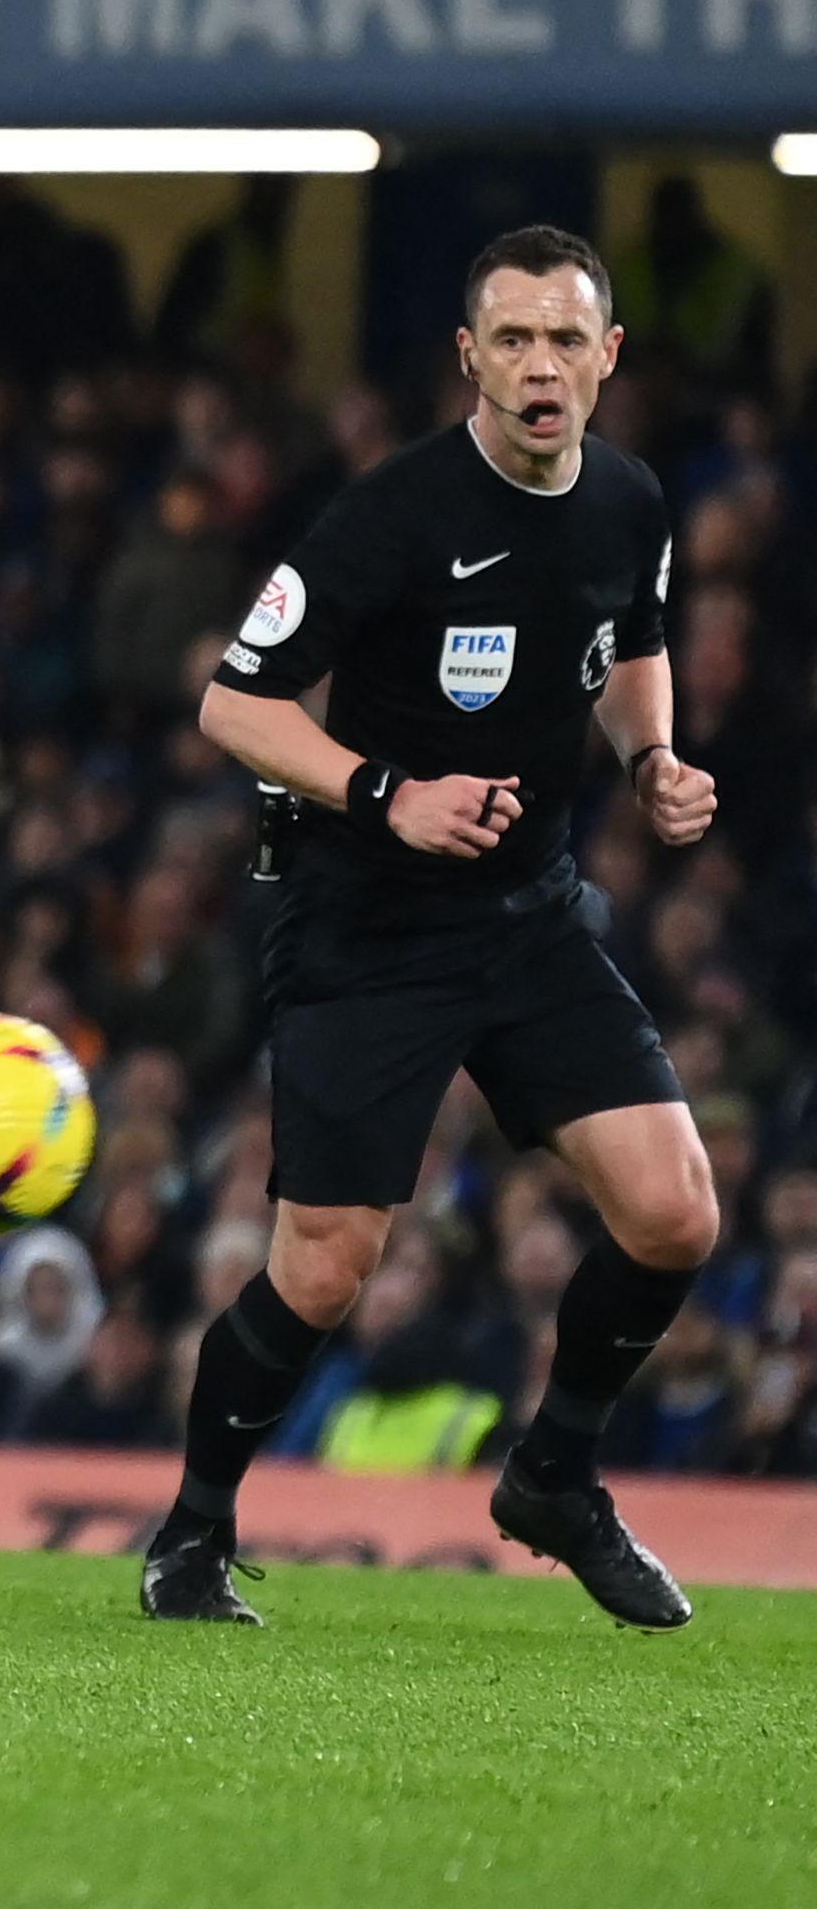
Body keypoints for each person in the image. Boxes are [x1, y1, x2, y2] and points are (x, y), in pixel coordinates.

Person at [148, 226, 718, 1631]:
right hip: (366, 917)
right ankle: (193, 1533)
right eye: (511, 339)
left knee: (676, 1211)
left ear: (608, 358)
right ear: (468, 356)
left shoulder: (631, 499)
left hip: (527, 916)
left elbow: (631, 644)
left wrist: (652, 759)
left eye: (564, 339)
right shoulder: (393, 512)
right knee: (328, 1264)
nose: (540, 365)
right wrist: (383, 791)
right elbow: (235, 701)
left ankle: (553, 1474)